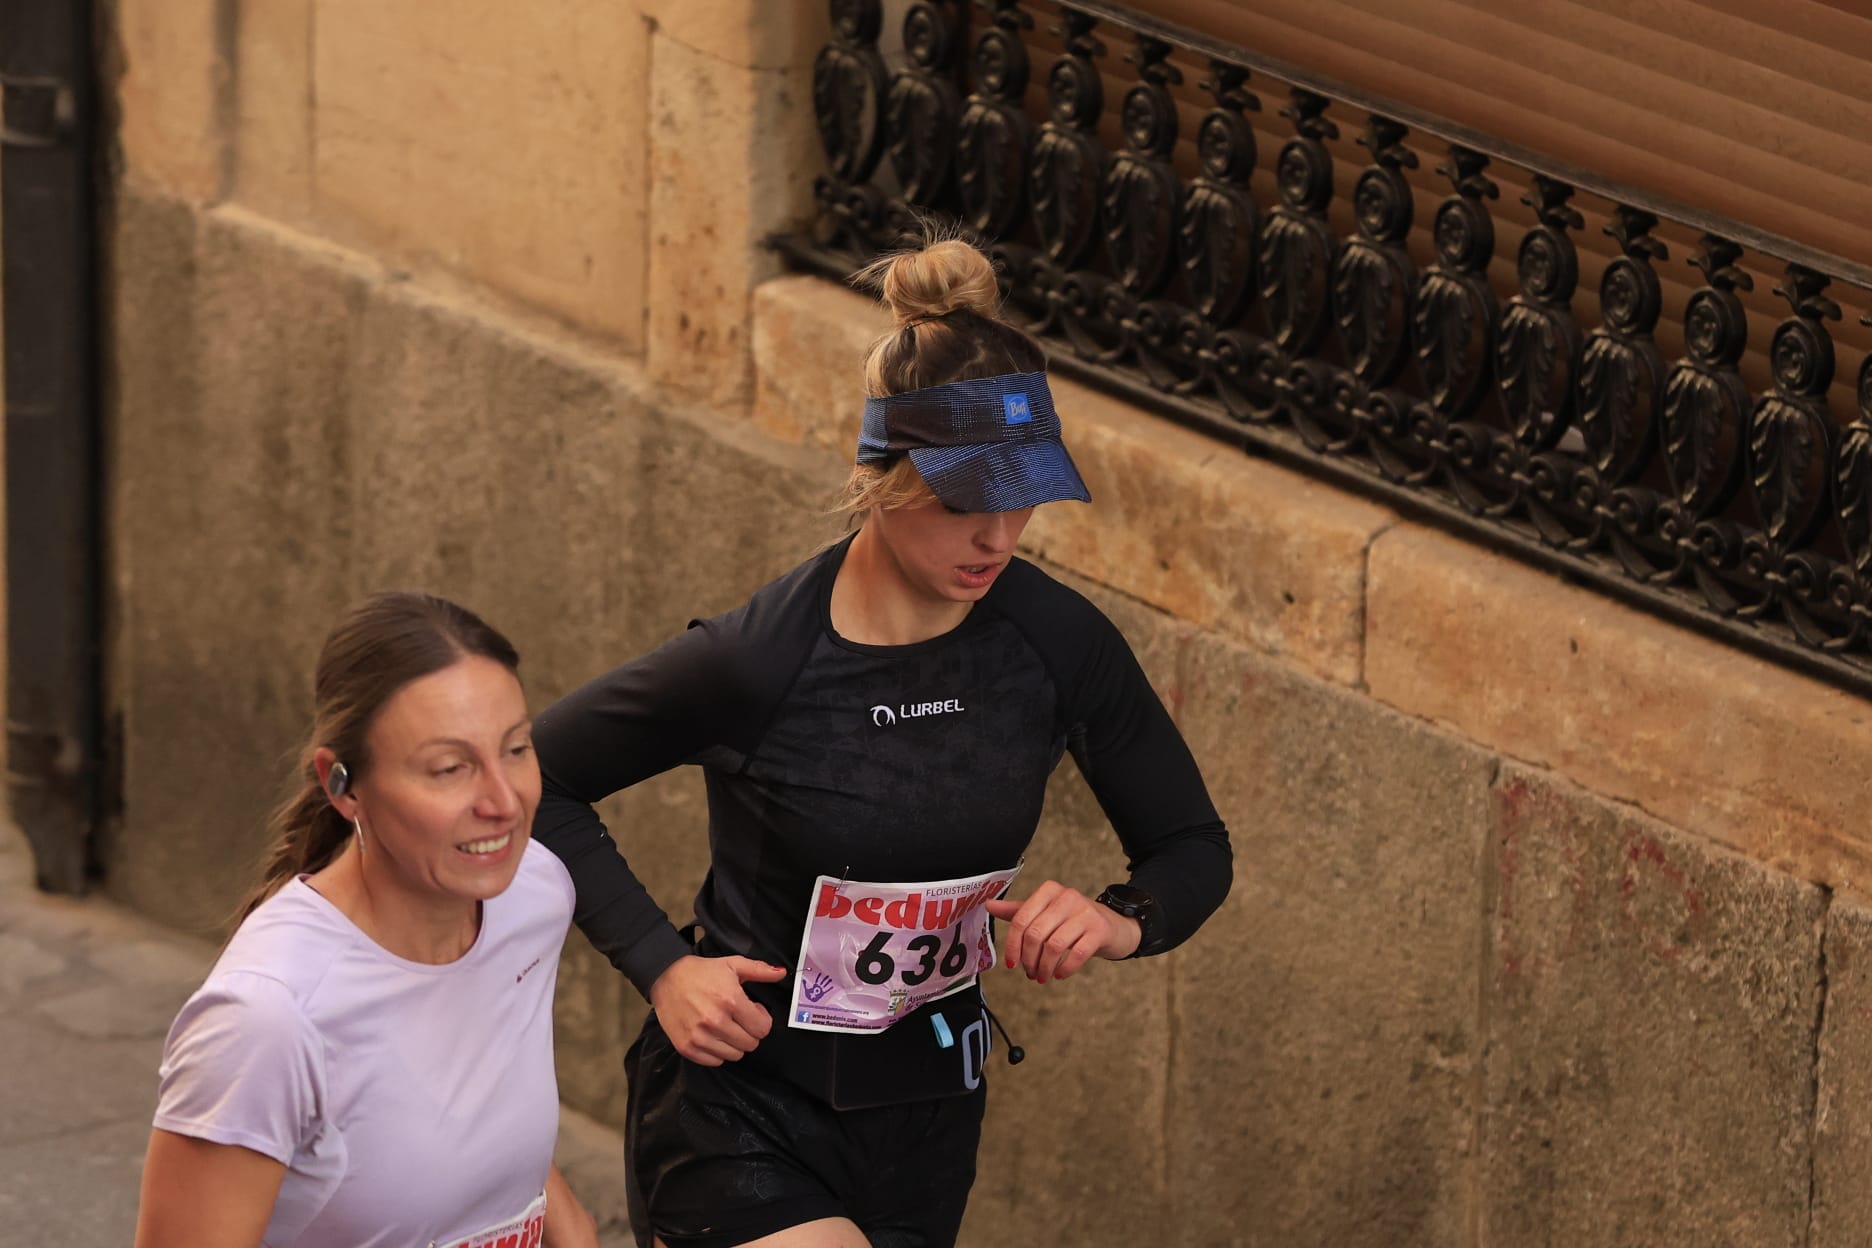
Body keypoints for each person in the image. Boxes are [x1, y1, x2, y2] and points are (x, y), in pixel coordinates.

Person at [533, 236, 1233, 1248]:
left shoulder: (1058, 643)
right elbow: (541, 777)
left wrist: (1118, 920)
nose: (997, 538)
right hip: (743, 1110)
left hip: (930, 1121)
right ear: (884, 479)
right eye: (962, 504)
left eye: (1021, 497)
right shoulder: (759, 660)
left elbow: (1191, 846)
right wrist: (662, 965)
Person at [134, 593, 599, 1248]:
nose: (505, 801)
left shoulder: (533, 892)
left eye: (516, 748)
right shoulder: (265, 1021)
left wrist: (572, 1229)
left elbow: (477, 1112)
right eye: (450, 768)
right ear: (343, 786)